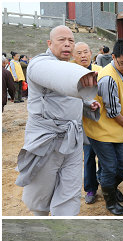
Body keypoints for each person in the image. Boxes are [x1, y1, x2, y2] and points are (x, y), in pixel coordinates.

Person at [16, 25, 100, 216]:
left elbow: (69, 96)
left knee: (69, 192)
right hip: (47, 140)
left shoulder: (70, 67)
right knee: (41, 195)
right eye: (62, 40)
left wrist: (87, 105)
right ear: (49, 43)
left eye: (71, 40)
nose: (67, 44)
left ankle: (64, 225)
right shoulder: (39, 63)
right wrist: (81, 77)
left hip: (73, 140)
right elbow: (61, 76)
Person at [85, 39, 123, 215]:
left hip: (117, 129)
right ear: (113, 57)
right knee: (110, 166)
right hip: (101, 130)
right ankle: (110, 201)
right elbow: (113, 112)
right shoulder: (108, 78)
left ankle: (110, 186)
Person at [72, 42, 105, 205]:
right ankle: (91, 189)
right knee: (89, 157)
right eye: (79, 53)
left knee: (106, 157)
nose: (83, 55)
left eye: (85, 52)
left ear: (91, 53)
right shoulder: (70, 73)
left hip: (101, 122)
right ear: (73, 55)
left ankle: (107, 186)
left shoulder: (100, 71)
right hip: (83, 125)